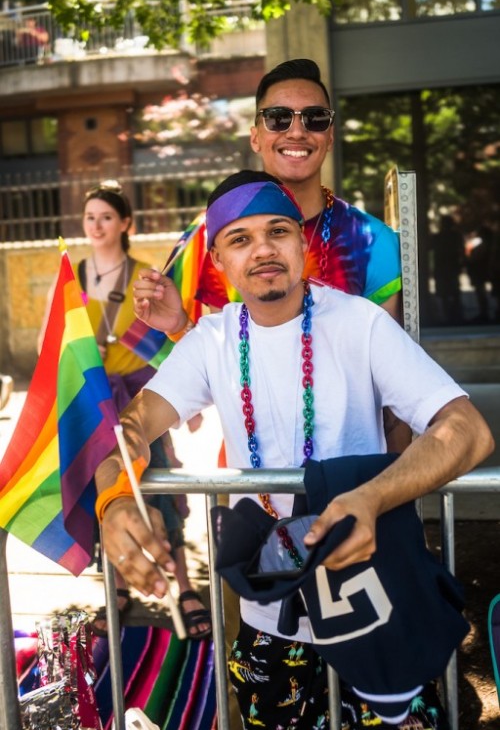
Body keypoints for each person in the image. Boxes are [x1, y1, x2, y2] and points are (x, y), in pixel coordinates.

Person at [94, 171, 493, 729]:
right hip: (269, 619)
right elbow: (132, 427)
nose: (262, 249)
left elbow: (468, 429)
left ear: (302, 244)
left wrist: (372, 498)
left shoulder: (361, 323)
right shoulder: (211, 340)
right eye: (240, 238)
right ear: (219, 262)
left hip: (374, 601)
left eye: (278, 231)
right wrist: (114, 500)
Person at [134, 58, 410, 453]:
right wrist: (179, 324)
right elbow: (212, 365)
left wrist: (393, 493)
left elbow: (393, 393)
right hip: (254, 478)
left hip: (355, 479)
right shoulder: (212, 238)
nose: (297, 130)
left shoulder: (372, 242)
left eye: (315, 118)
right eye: (278, 118)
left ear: (329, 135)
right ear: (255, 136)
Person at [38, 180, 211, 640]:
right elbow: (50, 339)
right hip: (95, 404)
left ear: (125, 224)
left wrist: (187, 402)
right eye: (90, 217)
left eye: (106, 217)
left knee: (155, 483)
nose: (96, 225)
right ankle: (115, 584)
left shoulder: (146, 276)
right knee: (105, 490)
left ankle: (186, 585)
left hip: (141, 400)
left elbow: (164, 342)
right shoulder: (72, 276)